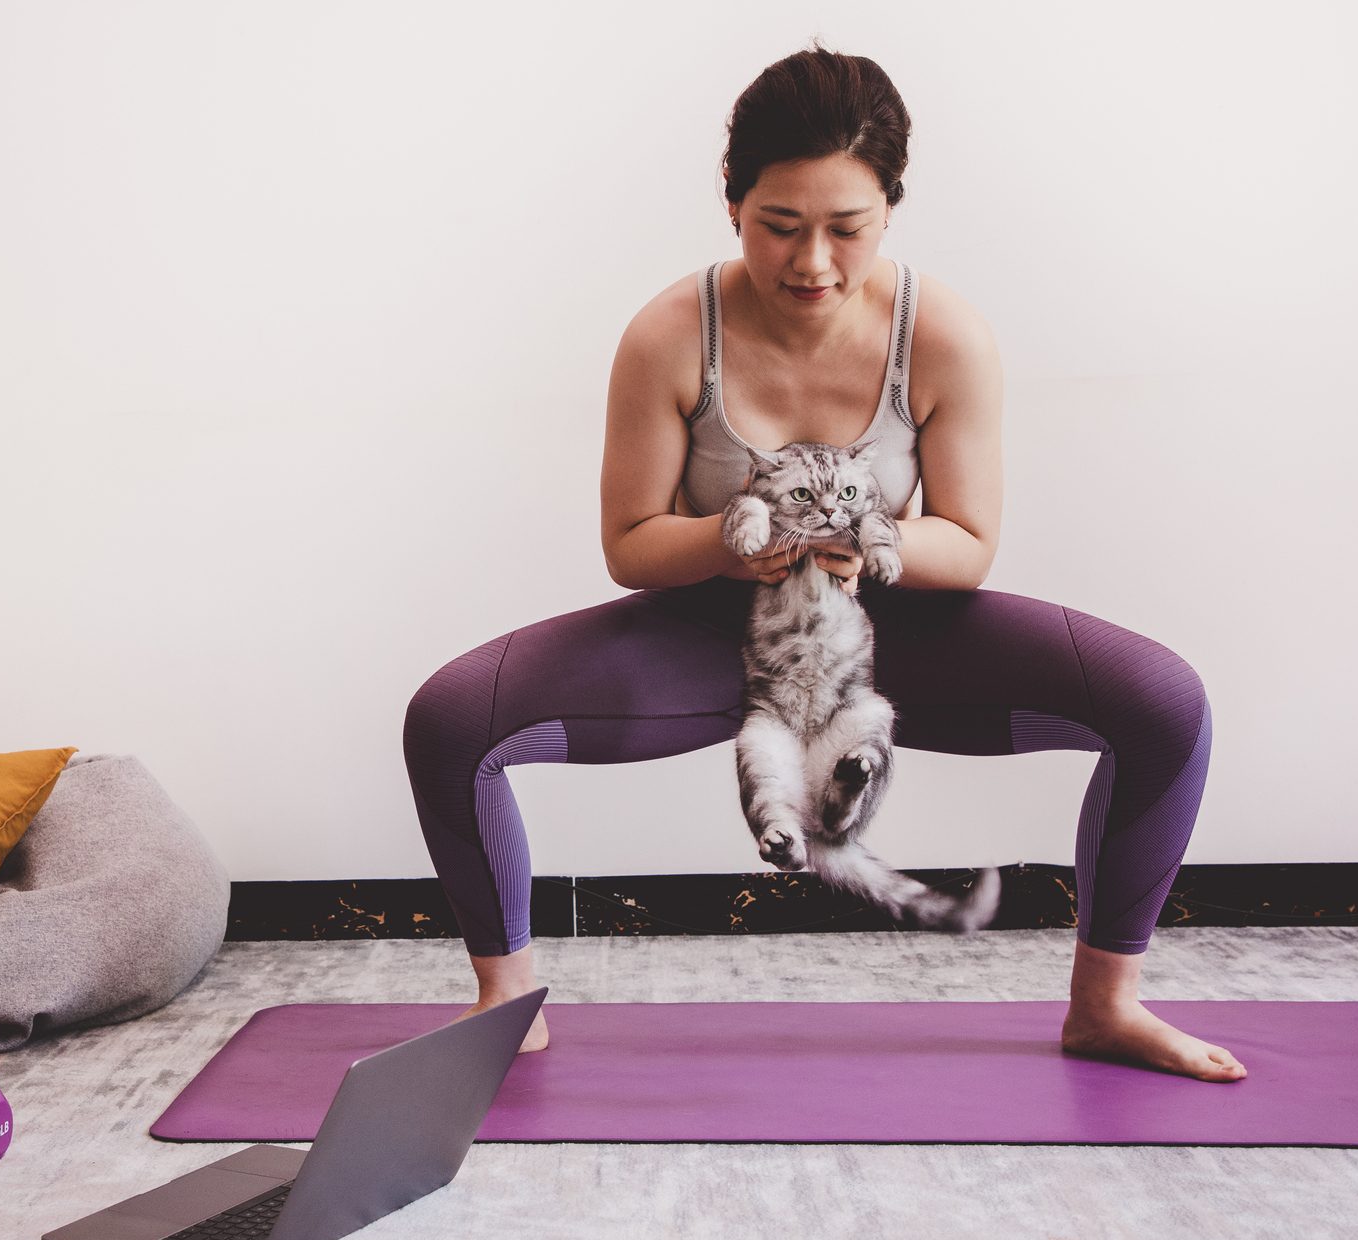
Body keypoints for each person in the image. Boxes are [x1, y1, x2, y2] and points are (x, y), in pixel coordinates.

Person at [402, 45, 1244, 1082]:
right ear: (731, 205)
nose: (813, 265)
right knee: (449, 718)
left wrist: (866, 550)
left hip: (885, 631)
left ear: (890, 209)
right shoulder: (671, 335)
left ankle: (1106, 1006)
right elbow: (630, 543)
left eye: (847, 229)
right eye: (780, 227)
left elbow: (970, 541)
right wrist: (729, 539)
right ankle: (507, 1005)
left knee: (1162, 700)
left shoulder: (942, 335)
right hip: (715, 632)